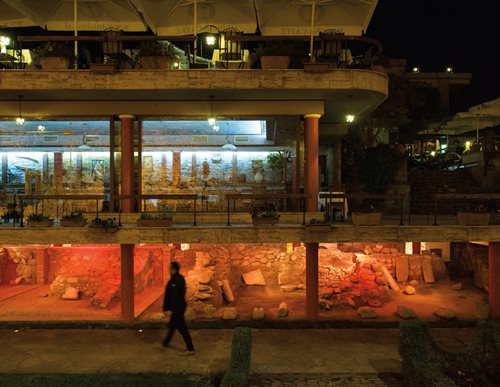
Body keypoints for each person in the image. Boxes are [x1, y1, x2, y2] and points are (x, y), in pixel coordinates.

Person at [162, 261, 195, 355]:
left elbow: (173, 296)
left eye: (169, 268)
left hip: (177, 308)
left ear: (173, 269)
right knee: (172, 326)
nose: (168, 270)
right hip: (179, 307)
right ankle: (165, 343)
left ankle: (190, 348)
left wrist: (170, 309)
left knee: (182, 328)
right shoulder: (178, 278)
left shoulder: (175, 280)